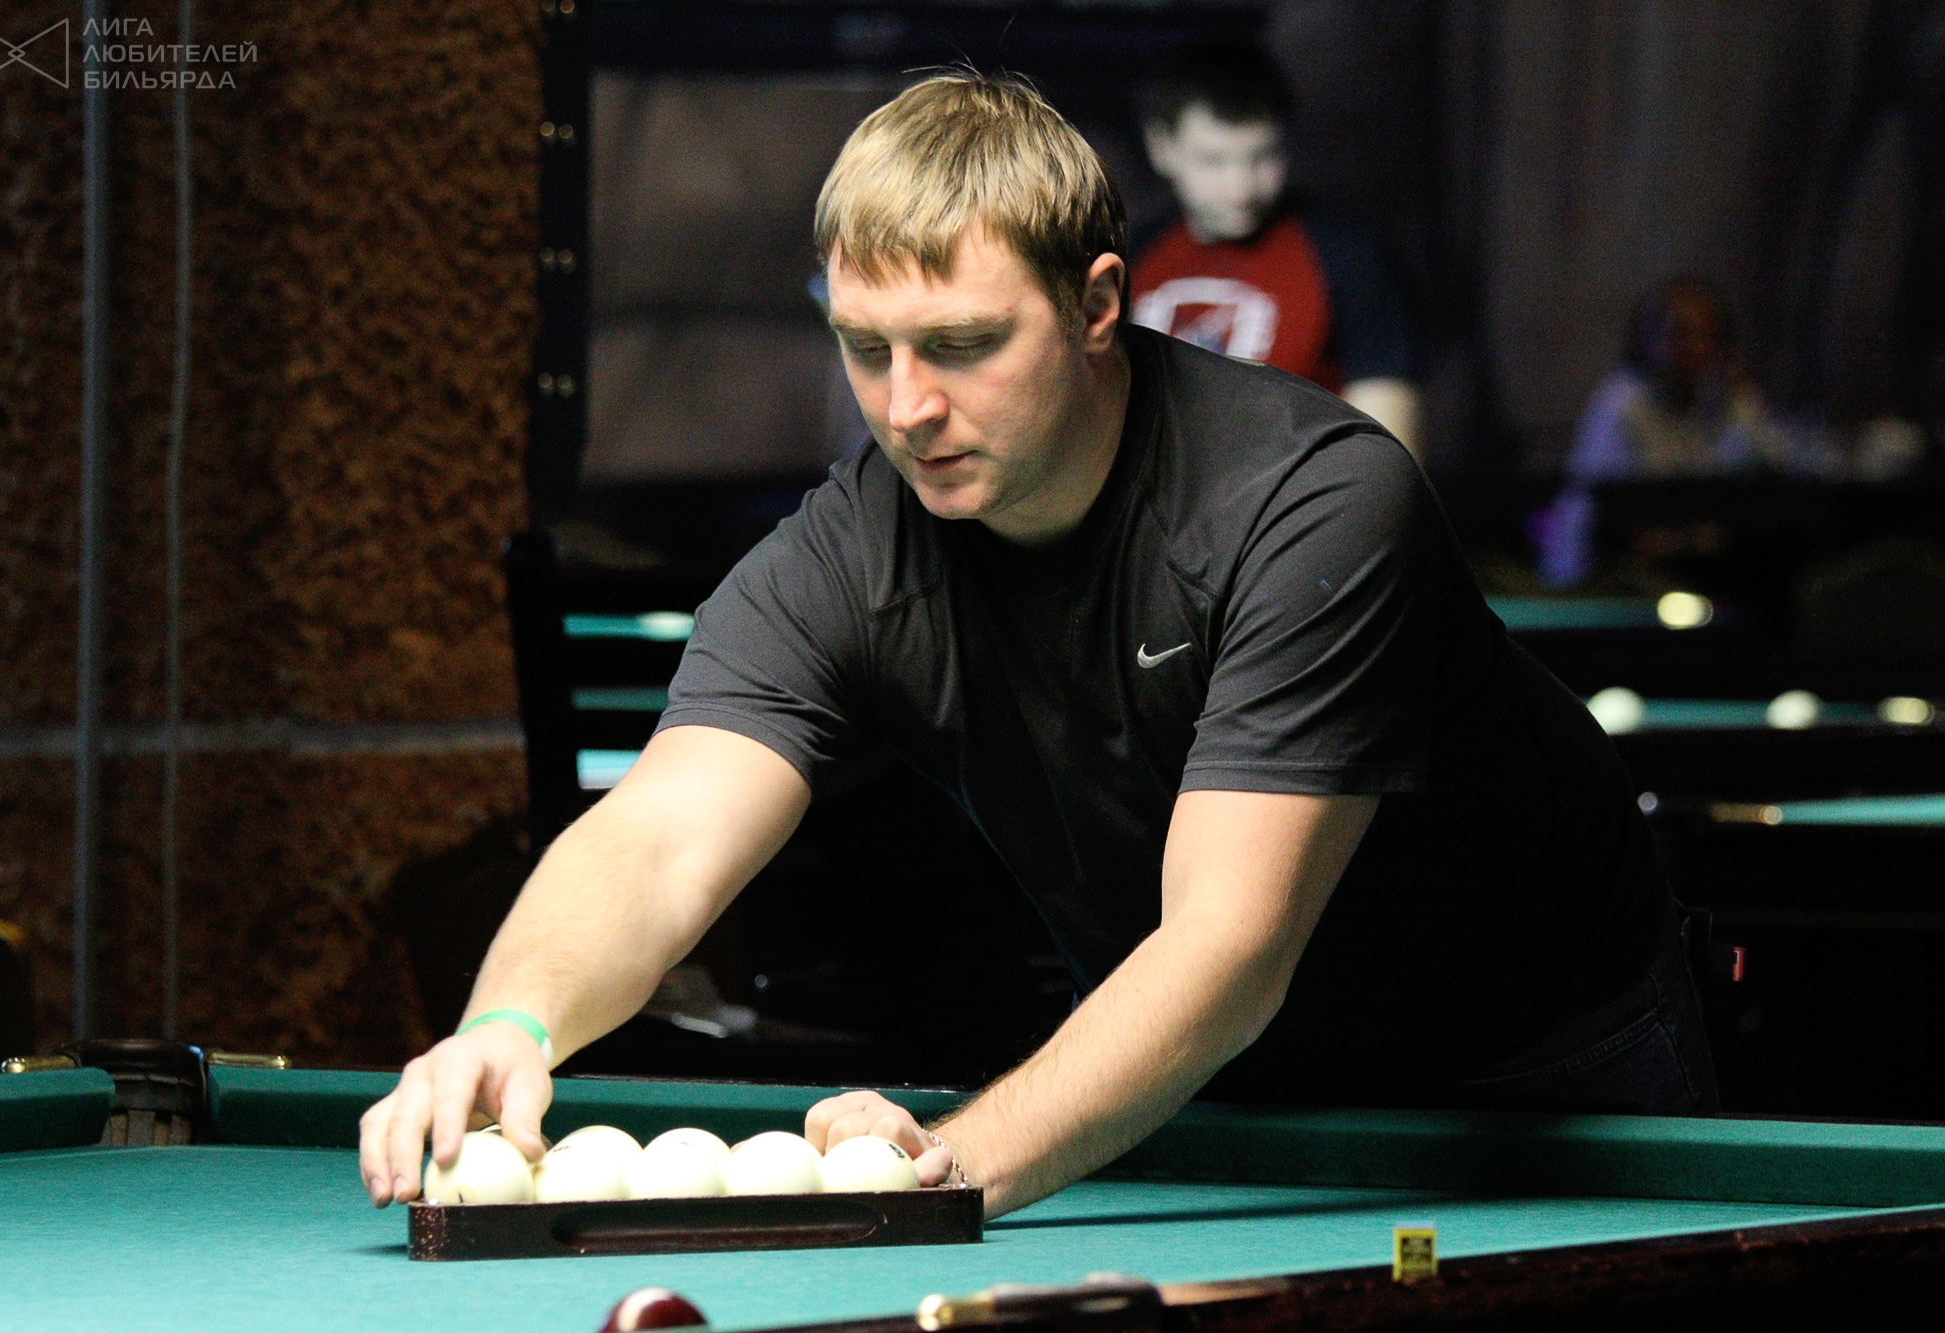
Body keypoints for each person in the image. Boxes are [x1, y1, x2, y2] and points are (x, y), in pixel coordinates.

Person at [359, 74, 1715, 1221]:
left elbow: (1226, 945)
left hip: (1541, 1073)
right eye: (866, 348)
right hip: (1213, 1083)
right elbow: (659, 836)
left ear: (1097, 302)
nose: (907, 407)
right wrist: (509, 1024)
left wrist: (937, 1171)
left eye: (961, 344)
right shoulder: (850, 553)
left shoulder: (1313, 503)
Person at [1132, 45, 1422, 456]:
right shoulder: (1132, 254)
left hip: (1293, 491)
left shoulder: (1349, 259)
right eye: (1213, 160)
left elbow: (1392, 453)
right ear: (1161, 148)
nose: (1241, 188)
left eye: (1262, 157)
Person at [1537, 275, 1807, 586]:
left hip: (1683, 571)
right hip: (1599, 580)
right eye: (1679, 334)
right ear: (1645, 339)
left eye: (1708, 336)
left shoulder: (1717, 402)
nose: (1694, 348)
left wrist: (1742, 403)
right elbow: (1627, 528)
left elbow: (1781, 463)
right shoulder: (1623, 404)